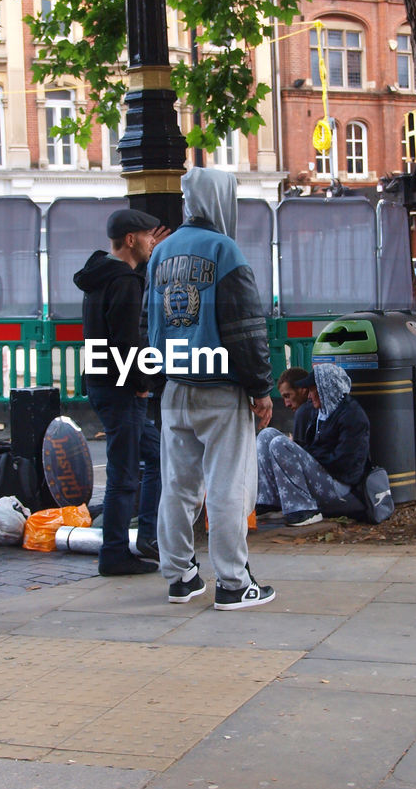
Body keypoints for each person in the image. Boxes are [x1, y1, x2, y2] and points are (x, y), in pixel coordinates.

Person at [149, 166, 275, 610]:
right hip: (220, 389)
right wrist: (261, 388)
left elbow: (152, 325)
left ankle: (180, 576)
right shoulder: (225, 251)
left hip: (175, 386)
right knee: (227, 487)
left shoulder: (160, 254)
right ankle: (233, 583)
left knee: (178, 487)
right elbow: (246, 330)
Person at [73, 207, 162, 576]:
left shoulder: (101, 276)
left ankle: (147, 535)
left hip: (101, 382)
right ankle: (114, 552)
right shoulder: (124, 282)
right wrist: (142, 385)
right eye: (147, 237)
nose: (152, 242)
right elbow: (128, 341)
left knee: (158, 455)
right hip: (121, 387)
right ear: (131, 240)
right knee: (125, 474)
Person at [256, 363, 370, 527]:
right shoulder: (320, 413)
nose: (309, 396)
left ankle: (304, 510)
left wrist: (302, 452)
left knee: (280, 444)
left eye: (311, 390)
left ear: (326, 388)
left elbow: (345, 466)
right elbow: (313, 450)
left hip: (342, 489)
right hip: (324, 478)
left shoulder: (352, 416)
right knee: (266, 435)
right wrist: (303, 451)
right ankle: (269, 502)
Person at [276, 367, 316, 448]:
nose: (286, 404)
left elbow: (299, 450)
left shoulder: (303, 411)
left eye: (287, 396)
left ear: (303, 390)